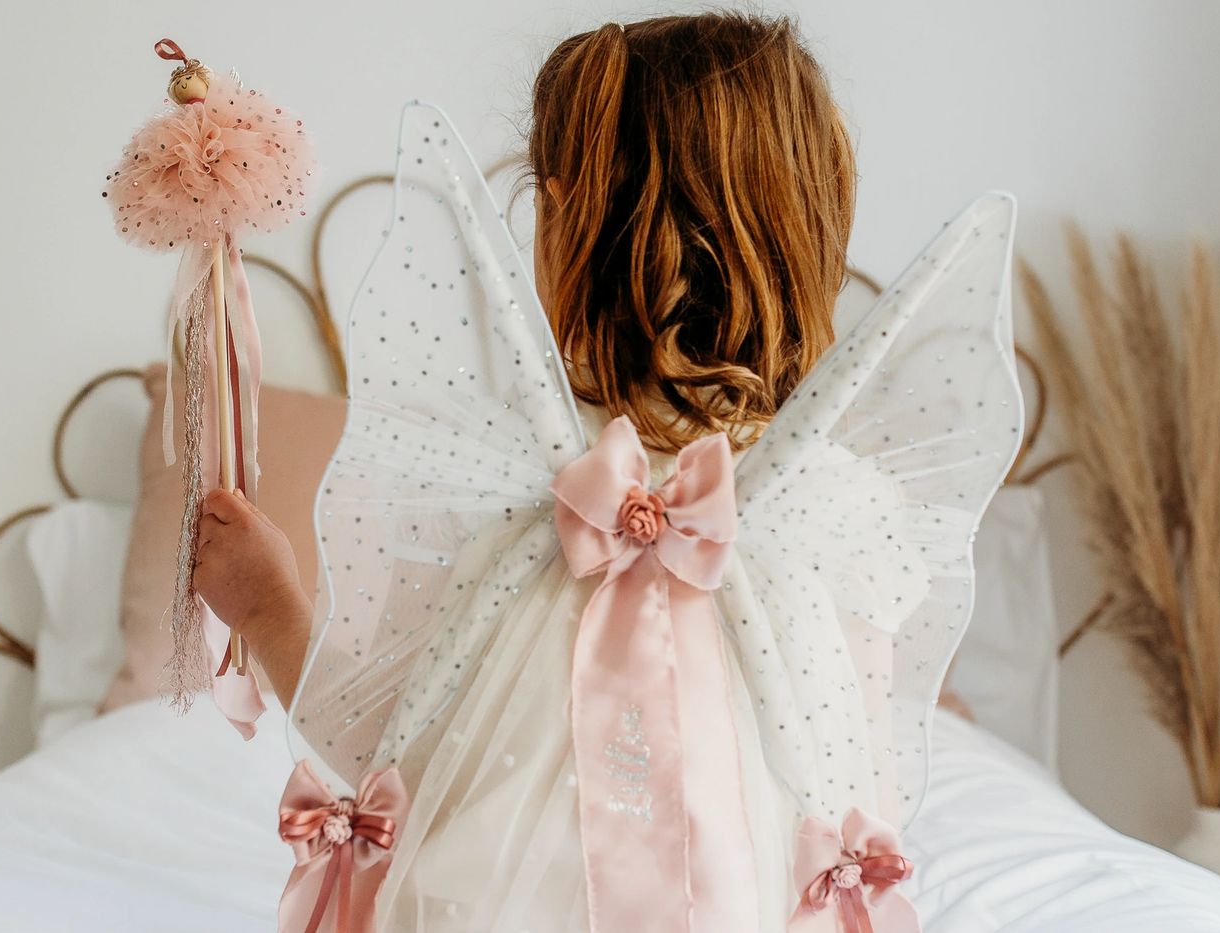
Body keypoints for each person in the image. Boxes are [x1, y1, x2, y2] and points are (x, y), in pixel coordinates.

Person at [192, 12, 1020, 931]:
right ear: (813, 232)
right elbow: (866, 797)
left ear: (566, 229)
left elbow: (371, 747)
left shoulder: (494, 480)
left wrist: (266, 605)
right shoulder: (839, 505)